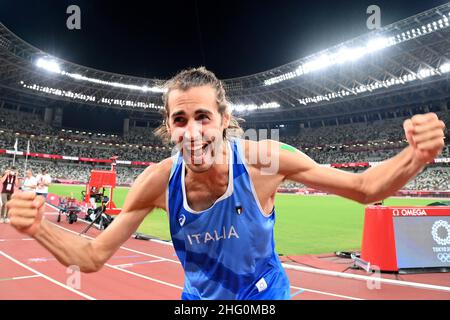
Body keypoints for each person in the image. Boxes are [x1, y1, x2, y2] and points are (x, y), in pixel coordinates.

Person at [7, 67, 446, 300]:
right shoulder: (157, 182)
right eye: (180, 119)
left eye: (203, 117)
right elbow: (92, 256)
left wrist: (416, 155)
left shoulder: (263, 163)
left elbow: (366, 188)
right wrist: (38, 227)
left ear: (224, 122)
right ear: (168, 127)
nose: (193, 131)